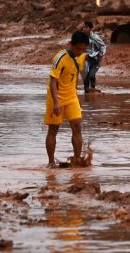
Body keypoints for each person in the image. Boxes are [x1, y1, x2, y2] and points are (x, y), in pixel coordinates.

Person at [45, 30, 89, 168]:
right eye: (78, 49)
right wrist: (56, 103)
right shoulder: (60, 58)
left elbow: (75, 76)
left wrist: (77, 95)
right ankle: (51, 163)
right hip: (56, 97)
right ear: (71, 44)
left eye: (83, 49)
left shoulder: (81, 57)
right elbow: (53, 81)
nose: (80, 52)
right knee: (53, 130)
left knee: (77, 127)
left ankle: (77, 160)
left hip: (71, 97)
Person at [81, 21, 106, 93]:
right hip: (85, 58)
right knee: (85, 76)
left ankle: (92, 88)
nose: (84, 29)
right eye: (83, 27)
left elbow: (103, 46)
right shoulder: (82, 37)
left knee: (91, 75)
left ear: (90, 28)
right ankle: (87, 91)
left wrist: (100, 55)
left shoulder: (95, 37)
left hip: (95, 59)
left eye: (86, 27)